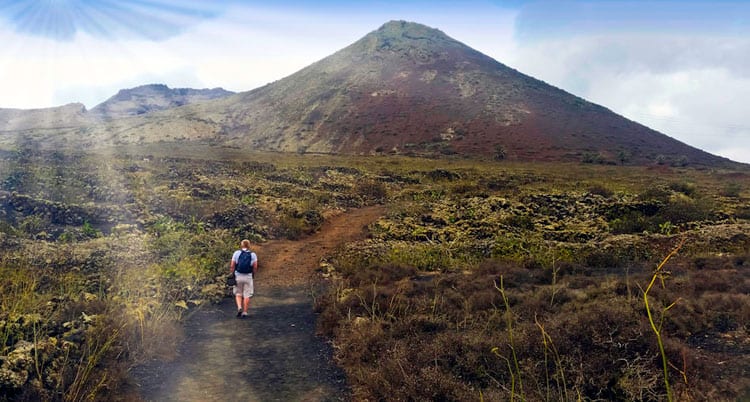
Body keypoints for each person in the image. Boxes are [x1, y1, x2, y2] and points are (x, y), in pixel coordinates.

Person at [230, 239, 257, 318]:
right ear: (249, 245)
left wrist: (232, 274)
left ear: (242, 245)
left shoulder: (236, 253)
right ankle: (245, 312)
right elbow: (255, 266)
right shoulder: (253, 255)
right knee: (247, 295)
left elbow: (232, 265)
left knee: (238, 293)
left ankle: (239, 307)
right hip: (248, 276)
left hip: (238, 275)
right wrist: (253, 275)